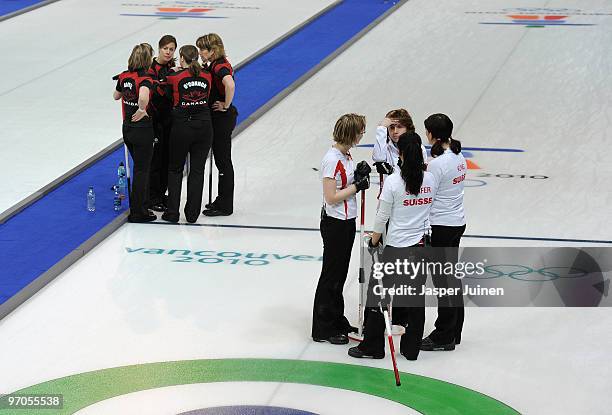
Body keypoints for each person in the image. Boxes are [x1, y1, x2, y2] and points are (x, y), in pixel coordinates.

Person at [348, 133, 437, 360]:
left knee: (377, 295)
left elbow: (381, 217)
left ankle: (373, 346)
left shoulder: (394, 183)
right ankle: (411, 349)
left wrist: (374, 240)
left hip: (396, 248)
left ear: (402, 154)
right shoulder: (430, 179)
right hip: (420, 246)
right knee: (415, 299)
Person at [312, 114, 371, 345]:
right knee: (332, 274)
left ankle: (336, 318)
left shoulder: (346, 155)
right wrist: (357, 186)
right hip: (335, 222)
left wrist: (357, 174)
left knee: (341, 274)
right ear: (352, 134)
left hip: (347, 220)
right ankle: (322, 328)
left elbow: (343, 184)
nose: (361, 135)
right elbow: (331, 196)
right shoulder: (331, 159)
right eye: (360, 132)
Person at [421, 113, 467, 351]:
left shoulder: (437, 164)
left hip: (441, 225)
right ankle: (454, 330)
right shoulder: (459, 156)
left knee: (443, 282)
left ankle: (444, 335)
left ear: (433, 135)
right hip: (456, 222)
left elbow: (426, 195)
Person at [160, 45, 213, 224]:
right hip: (204, 126)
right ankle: (192, 214)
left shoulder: (174, 77)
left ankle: (172, 213)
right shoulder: (207, 75)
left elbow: (161, 84)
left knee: (175, 169)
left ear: (182, 58)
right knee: (197, 171)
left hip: (182, 127)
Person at [113, 44, 156, 223]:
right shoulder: (145, 78)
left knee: (138, 166)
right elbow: (144, 96)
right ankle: (138, 211)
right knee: (142, 169)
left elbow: (116, 96)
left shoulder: (124, 76)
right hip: (142, 128)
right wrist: (141, 108)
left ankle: (141, 205)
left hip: (127, 128)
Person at [196, 33, 237, 216]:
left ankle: (225, 205)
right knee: (222, 161)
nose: (199, 53)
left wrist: (225, 105)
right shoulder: (216, 63)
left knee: (223, 161)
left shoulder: (220, 66)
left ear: (212, 51)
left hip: (222, 118)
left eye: (202, 50)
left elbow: (230, 84)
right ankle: (221, 200)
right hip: (218, 118)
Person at [147, 35, 177, 212]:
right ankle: (152, 197)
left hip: (169, 121)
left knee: (167, 159)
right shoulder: (151, 69)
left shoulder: (172, 68)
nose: (168, 52)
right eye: (165, 48)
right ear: (159, 49)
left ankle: (161, 193)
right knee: (156, 161)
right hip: (154, 121)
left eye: (171, 49)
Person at [372, 109, 427, 178]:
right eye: (391, 127)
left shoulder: (419, 148)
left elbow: (421, 175)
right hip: (390, 188)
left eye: (399, 127)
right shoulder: (385, 147)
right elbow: (378, 158)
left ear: (408, 128)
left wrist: (393, 172)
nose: (395, 131)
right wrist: (381, 128)